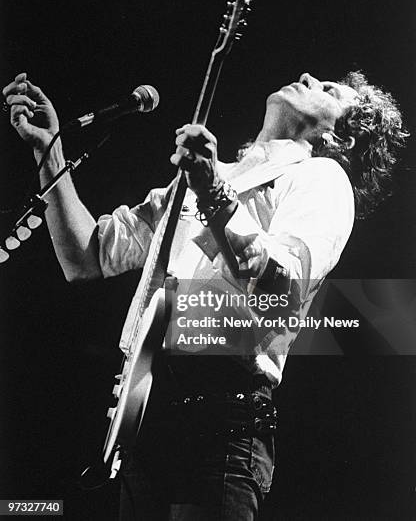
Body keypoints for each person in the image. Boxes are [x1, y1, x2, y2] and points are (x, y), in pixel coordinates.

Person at [3, 70, 407, 520]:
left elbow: (282, 286)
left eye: (329, 91)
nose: (309, 76)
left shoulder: (321, 177)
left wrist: (212, 191)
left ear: (342, 139)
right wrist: (47, 149)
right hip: (146, 417)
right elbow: (88, 256)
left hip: (222, 419)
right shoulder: (197, 181)